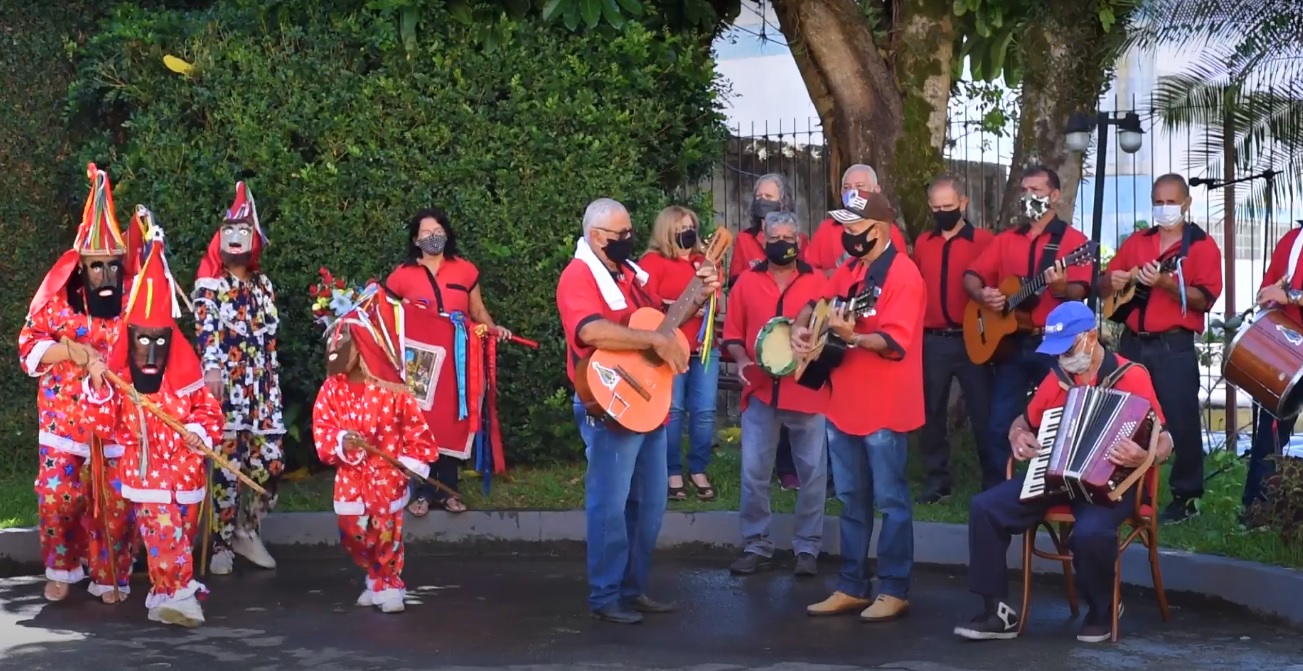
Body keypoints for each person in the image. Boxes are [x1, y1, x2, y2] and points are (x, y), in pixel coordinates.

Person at [954, 301, 1173, 644]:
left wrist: (1145, 454)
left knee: (1089, 533)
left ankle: (1102, 608)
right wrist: (1018, 436)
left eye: (1067, 349)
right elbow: (1023, 422)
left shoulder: (1131, 376)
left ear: (1091, 337)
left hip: (1111, 484)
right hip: (1056, 479)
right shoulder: (1056, 381)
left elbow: (1167, 440)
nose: (1062, 359)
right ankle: (995, 610)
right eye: (1056, 352)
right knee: (985, 508)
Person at [556, 197, 720, 624]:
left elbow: (661, 322)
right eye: (620, 235)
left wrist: (698, 295)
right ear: (595, 237)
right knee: (609, 504)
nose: (629, 239)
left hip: (647, 401)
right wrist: (652, 342)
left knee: (650, 503)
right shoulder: (578, 275)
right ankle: (605, 595)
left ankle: (632, 588)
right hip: (608, 401)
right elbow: (589, 329)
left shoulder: (629, 274)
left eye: (630, 232)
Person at [78, 223, 226, 628]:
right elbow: (102, 424)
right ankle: (181, 593)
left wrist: (201, 431)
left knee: (181, 534)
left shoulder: (188, 377)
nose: (151, 349)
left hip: (188, 477)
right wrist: (98, 383)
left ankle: (164, 595)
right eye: (143, 339)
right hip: (146, 476)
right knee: (163, 534)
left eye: (160, 341)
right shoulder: (121, 384)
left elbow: (210, 413)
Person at [794, 189, 924, 622]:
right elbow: (815, 304)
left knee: (890, 500)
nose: (847, 235)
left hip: (884, 406)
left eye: (855, 228)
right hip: (843, 402)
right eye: (844, 227)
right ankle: (852, 584)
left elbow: (893, 342)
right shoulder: (848, 270)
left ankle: (893, 588)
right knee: (852, 500)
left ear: (879, 229)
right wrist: (802, 328)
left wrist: (852, 337)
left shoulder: (903, 275)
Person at [17, 163, 137, 603]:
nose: (104, 273)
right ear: (81, 265)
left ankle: (111, 575)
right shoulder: (57, 301)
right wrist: (68, 351)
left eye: (111, 265)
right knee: (58, 497)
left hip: (116, 423)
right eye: (95, 265)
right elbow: (28, 345)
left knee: (117, 503)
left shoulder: (135, 299)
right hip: (64, 420)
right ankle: (63, 568)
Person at [1098, 173, 1222, 523]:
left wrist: (1165, 283)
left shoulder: (1201, 246)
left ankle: (1186, 498)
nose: (1164, 208)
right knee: (1125, 416)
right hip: (1132, 343)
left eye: (1171, 202)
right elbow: (1103, 285)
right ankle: (1126, 487)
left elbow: (1206, 299)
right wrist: (1115, 280)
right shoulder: (1138, 241)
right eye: (1159, 201)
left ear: (1186, 203)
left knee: (1180, 420)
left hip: (1172, 345)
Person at [311, 282, 441, 614]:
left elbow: (416, 427)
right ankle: (373, 574)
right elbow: (323, 427)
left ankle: (388, 582)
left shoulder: (391, 389)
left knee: (387, 533)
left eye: (345, 340)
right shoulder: (331, 389)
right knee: (351, 532)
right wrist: (342, 441)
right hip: (350, 478)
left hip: (386, 475)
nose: (338, 346)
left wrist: (413, 461)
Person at [963, 165, 1093, 481]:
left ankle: (1056, 489)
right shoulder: (1006, 240)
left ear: (1055, 195)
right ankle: (997, 492)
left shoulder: (1074, 242)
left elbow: (1081, 290)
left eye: (1036, 190)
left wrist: (1061, 288)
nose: (1029, 196)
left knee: (1062, 422)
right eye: (1025, 190)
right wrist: (984, 296)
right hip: (1013, 345)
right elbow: (970, 276)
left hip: (1056, 345)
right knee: (999, 423)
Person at [721, 210, 830, 576]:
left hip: (807, 392)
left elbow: (832, 334)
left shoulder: (819, 282)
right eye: (774, 238)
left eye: (788, 237)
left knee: (813, 474)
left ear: (799, 241)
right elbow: (732, 335)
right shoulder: (746, 284)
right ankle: (755, 544)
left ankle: (808, 549)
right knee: (754, 472)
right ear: (764, 240)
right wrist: (739, 360)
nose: (781, 243)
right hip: (761, 392)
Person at [386, 208, 511, 517]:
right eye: (426, 233)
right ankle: (423, 493)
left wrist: (495, 329)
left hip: (458, 361)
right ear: (415, 239)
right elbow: (388, 317)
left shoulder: (465, 270)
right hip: (419, 365)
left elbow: (478, 311)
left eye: (438, 230)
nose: (433, 237)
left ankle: (450, 490)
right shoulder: (401, 275)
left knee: (455, 420)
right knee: (421, 423)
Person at [191, 181, 283, 575]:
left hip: (263, 391)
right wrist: (211, 369)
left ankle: (248, 529)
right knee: (226, 471)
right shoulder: (209, 287)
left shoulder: (264, 286)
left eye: (243, 232)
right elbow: (206, 332)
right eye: (228, 231)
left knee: (270, 465)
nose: (234, 239)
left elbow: (270, 338)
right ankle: (221, 544)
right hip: (226, 390)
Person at [912, 176, 997, 497]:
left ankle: (992, 478)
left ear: (963, 203)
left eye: (948, 207)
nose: (941, 213)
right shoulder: (923, 243)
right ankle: (937, 480)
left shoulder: (985, 241)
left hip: (973, 338)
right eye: (936, 208)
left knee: (983, 410)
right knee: (930, 412)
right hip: (932, 339)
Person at [726, 173, 804, 491]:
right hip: (754, 330)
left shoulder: (798, 238)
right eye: (759, 194)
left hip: (788, 332)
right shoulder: (745, 240)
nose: (763, 199)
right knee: (761, 403)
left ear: (783, 200)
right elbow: (735, 282)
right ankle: (761, 471)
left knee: (788, 398)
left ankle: (787, 468)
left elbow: (804, 278)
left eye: (769, 195)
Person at [638, 206, 719, 501]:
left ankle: (698, 468)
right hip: (671, 347)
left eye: (690, 226)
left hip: (703, 346)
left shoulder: (703, 262)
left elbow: (715, 306)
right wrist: (684, 302)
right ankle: (671, 471)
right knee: (671, 410)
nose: (687, 232)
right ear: (666, 232)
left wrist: (711, 288)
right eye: (680, 228)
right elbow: (650, 307)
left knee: (705, 412)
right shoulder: (651, 263)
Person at [1243, 223, 1303, 518]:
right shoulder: (1293, 239)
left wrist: (1292, 296)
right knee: (1270, 433)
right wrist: (1268, 296)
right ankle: (1259, 509)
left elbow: (1287, 293)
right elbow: (1268, 290)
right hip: (1290, 352)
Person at [805, 164, 908, 275]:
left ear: (876, 190)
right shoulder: (826, 229)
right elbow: (807, 273)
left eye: (859, 186)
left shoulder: (889, 231)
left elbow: (901, 273)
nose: (852, 192)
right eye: (847, 187)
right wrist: (831, 276)